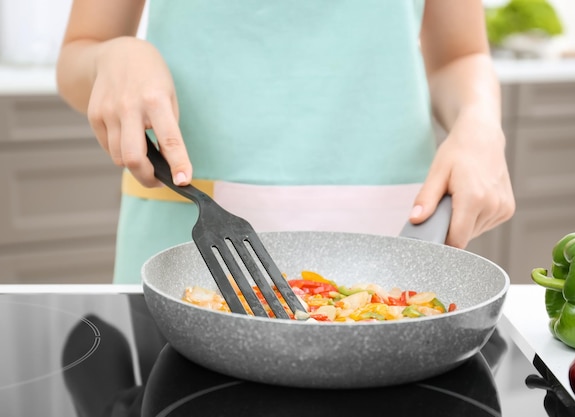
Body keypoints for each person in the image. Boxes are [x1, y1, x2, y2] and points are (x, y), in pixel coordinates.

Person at [57, 0, 515, 284]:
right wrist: (113, 56)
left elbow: (461, 54)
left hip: (393, 234)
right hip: (188, 240)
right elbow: (81, 49)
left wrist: (480, 122)